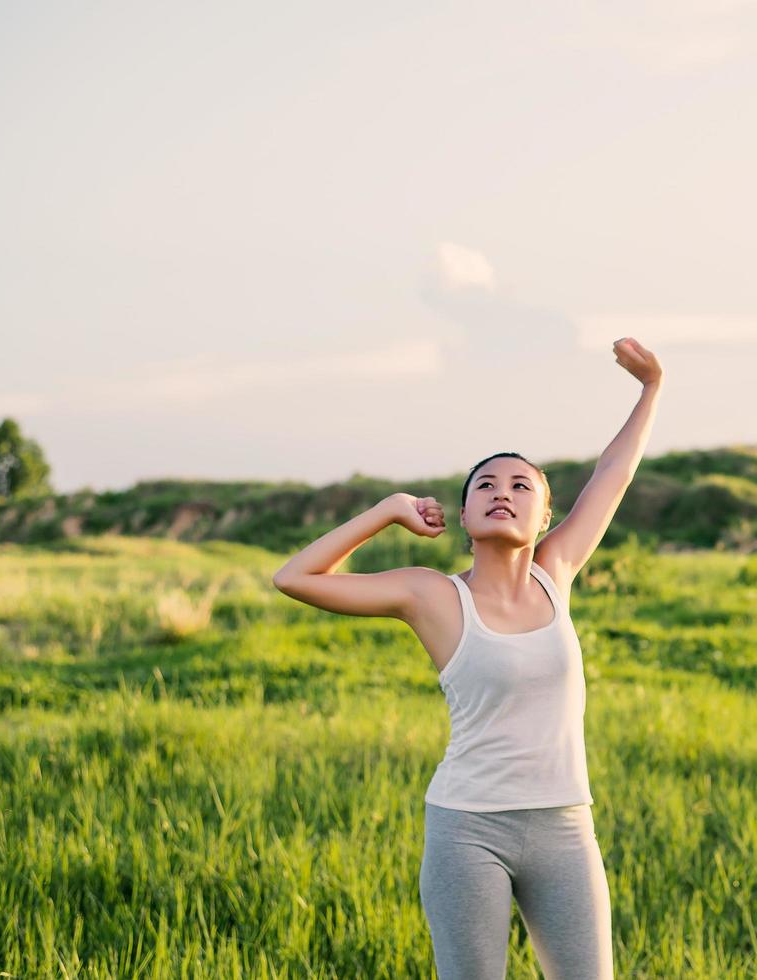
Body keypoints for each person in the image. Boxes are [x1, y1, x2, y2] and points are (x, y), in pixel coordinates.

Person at [272, 337, 664, 978]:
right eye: (485, 484)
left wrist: (651, 389)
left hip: (564, 825)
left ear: (544, 516)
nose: (501, 491)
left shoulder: (555, 573)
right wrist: (387, 512)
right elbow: (296, 578)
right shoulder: (431, 595)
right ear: (462, 514)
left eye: (520, 485)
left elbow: (613, 473)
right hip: (467, 829)